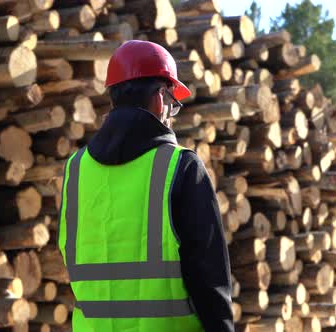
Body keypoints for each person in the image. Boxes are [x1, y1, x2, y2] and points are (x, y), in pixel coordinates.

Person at [57, 40, 234, 332]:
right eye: (173, 106)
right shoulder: (181, 167)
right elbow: (210, 283)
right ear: (161, 98)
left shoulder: (75, 171)